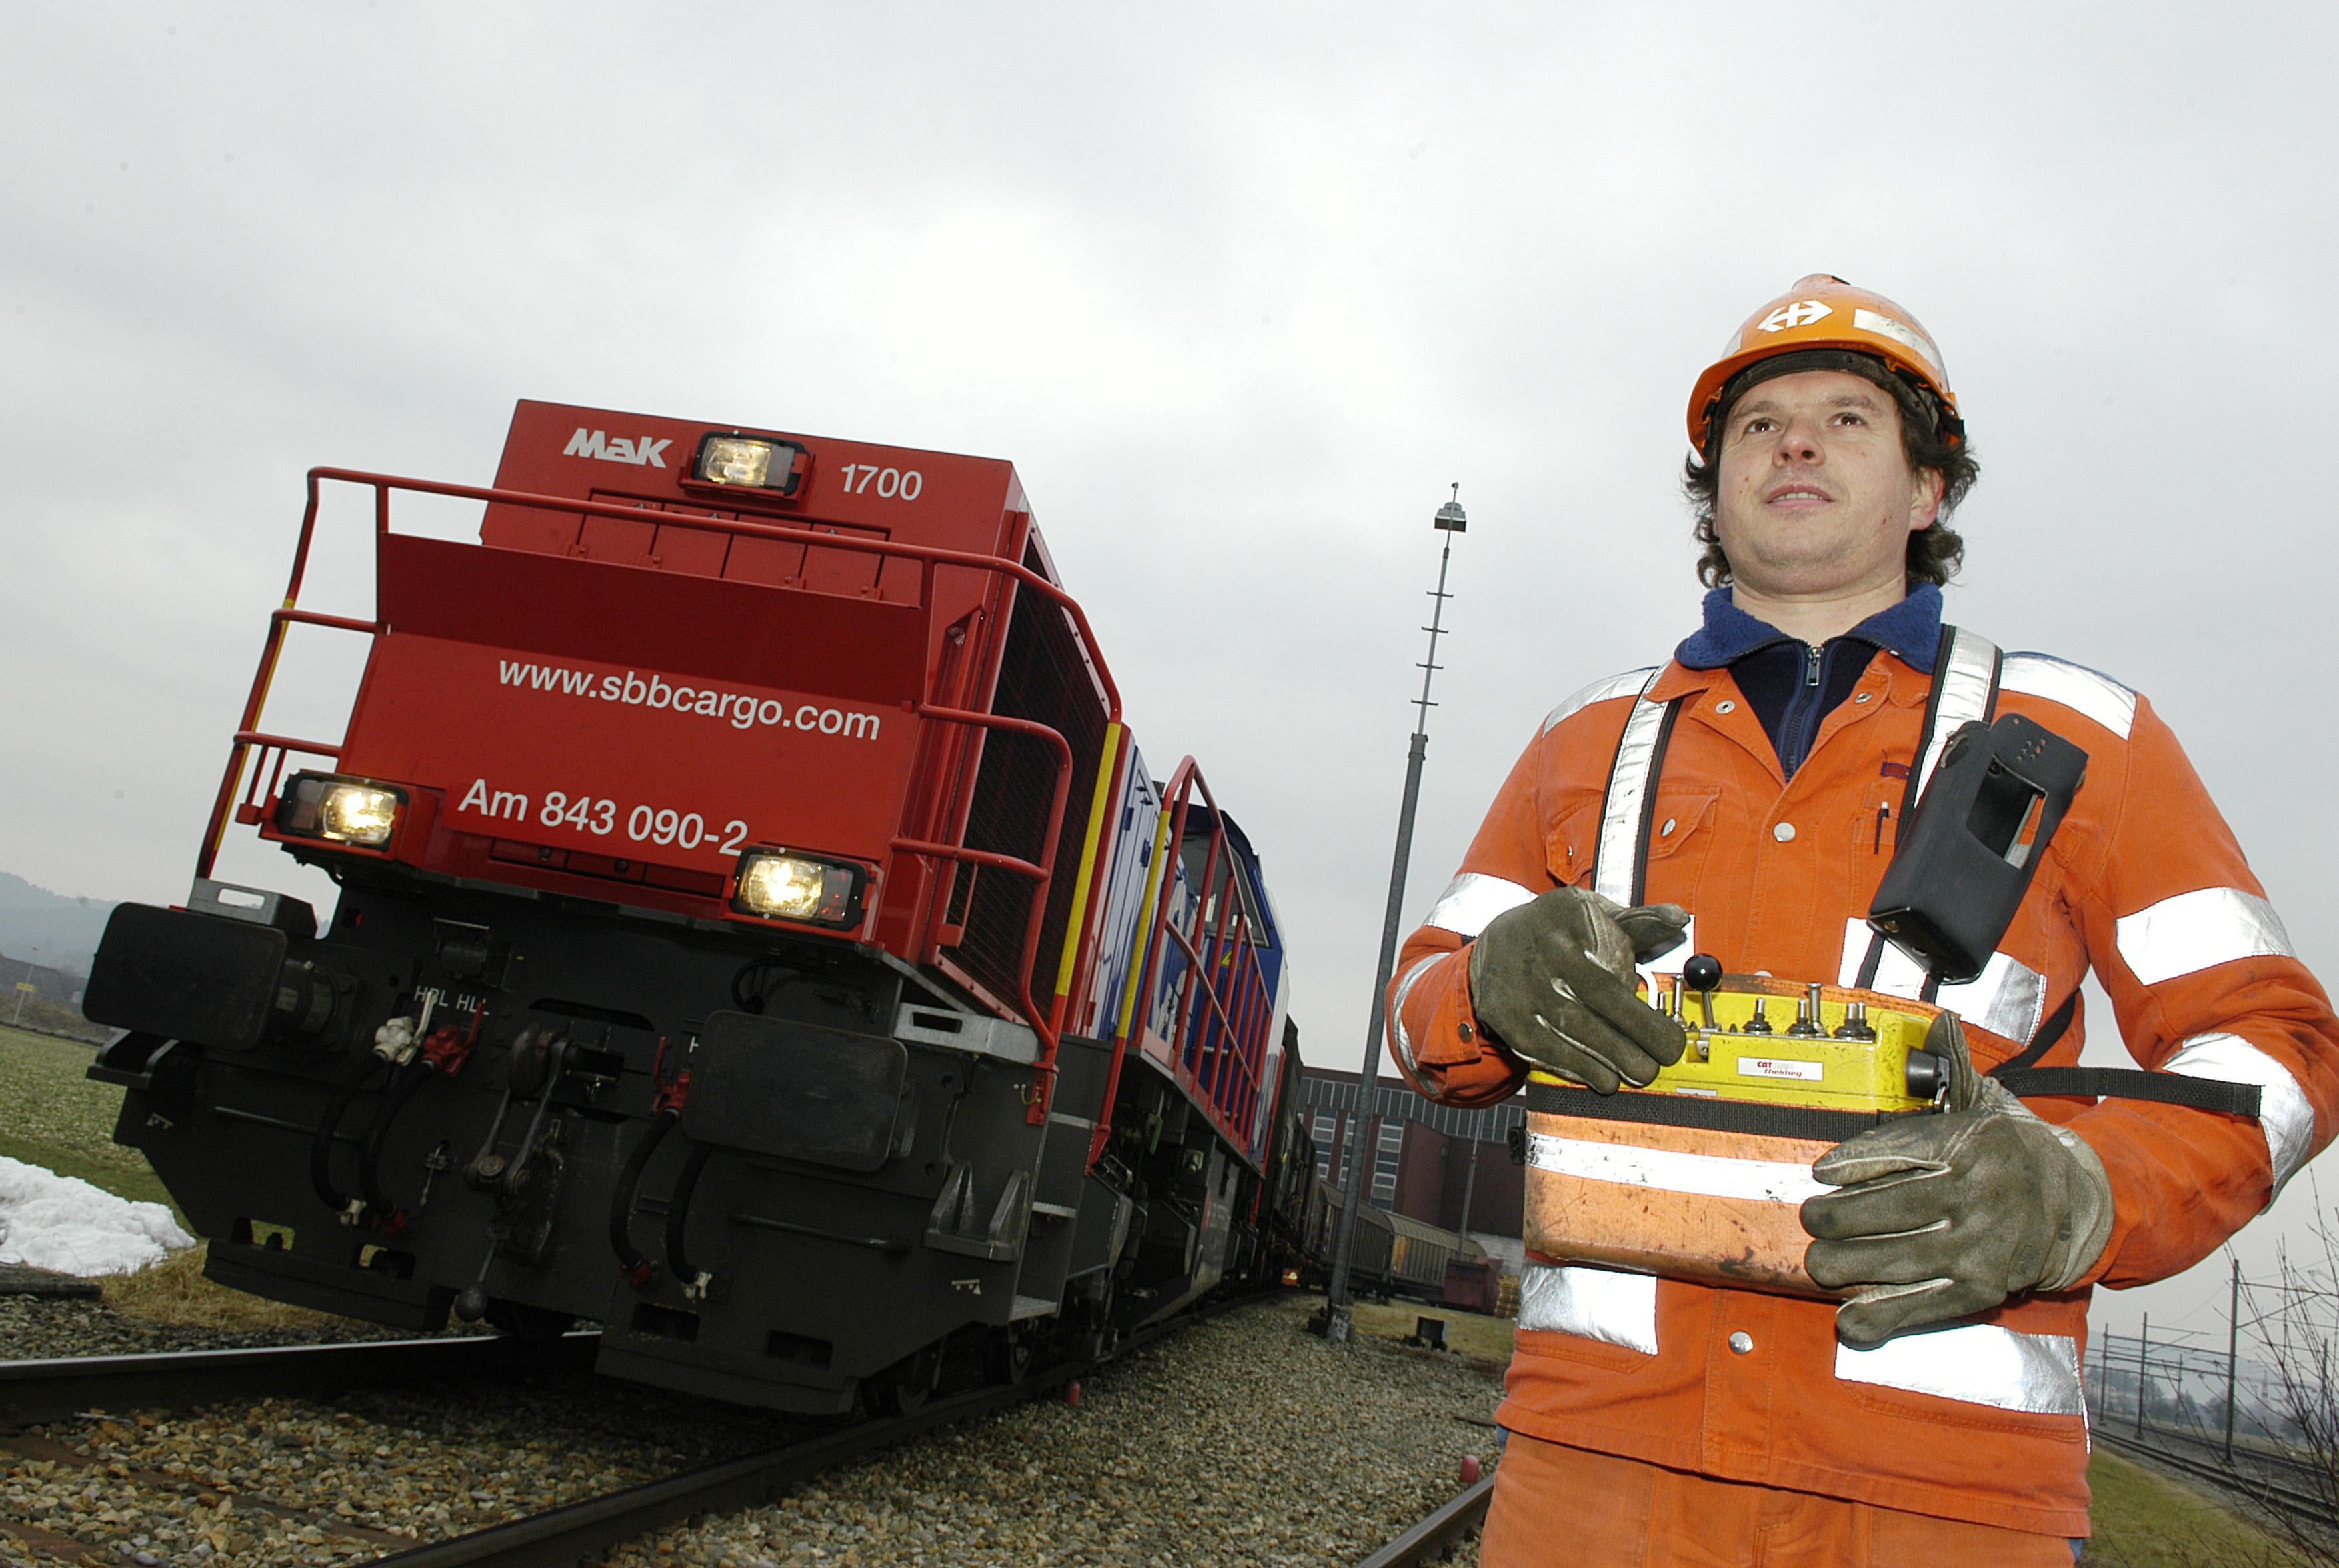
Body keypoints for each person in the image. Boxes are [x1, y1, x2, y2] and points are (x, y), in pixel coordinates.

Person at [1384, 275, 2339, 1565]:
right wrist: (1492, 982)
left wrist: (2083, 1194)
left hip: (1944, 1502)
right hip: (1598, 1470)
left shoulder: (2083, 743)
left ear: (1928, 490)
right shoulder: (1584, 743)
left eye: (1846, 419)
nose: (1795, 443)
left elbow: (2276, 1050)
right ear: (1712, 492)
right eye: (1760, 423)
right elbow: (1421, 1005)